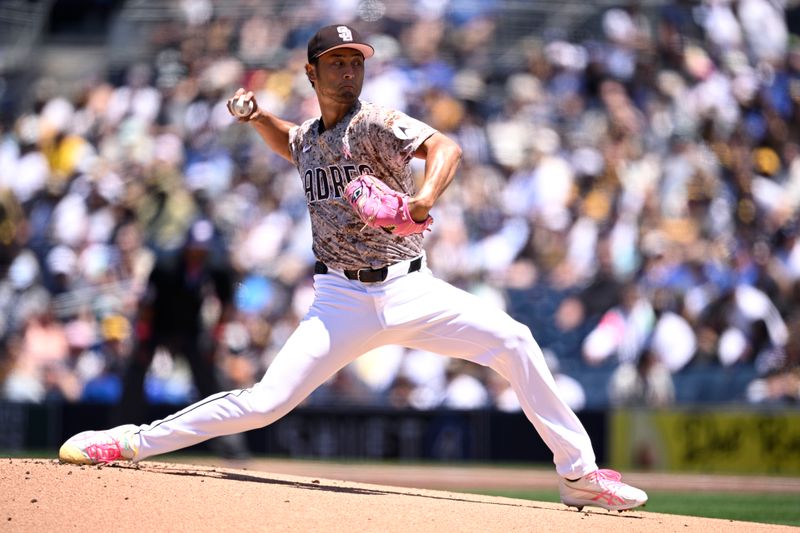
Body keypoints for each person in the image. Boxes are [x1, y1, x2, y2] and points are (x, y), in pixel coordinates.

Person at [59, 24, 647, 512]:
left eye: (355, 62)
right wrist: (257, 115)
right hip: (340, 300)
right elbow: (291, 138)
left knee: (515, 340)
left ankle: (578, 475)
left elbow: (446, 148)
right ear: (311, 73)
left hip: (413, 289)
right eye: (336, 62)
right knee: (266, 403)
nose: (348, 71)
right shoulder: (311, 137)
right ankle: (129, 441)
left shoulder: (373, 122)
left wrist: (424, 199)